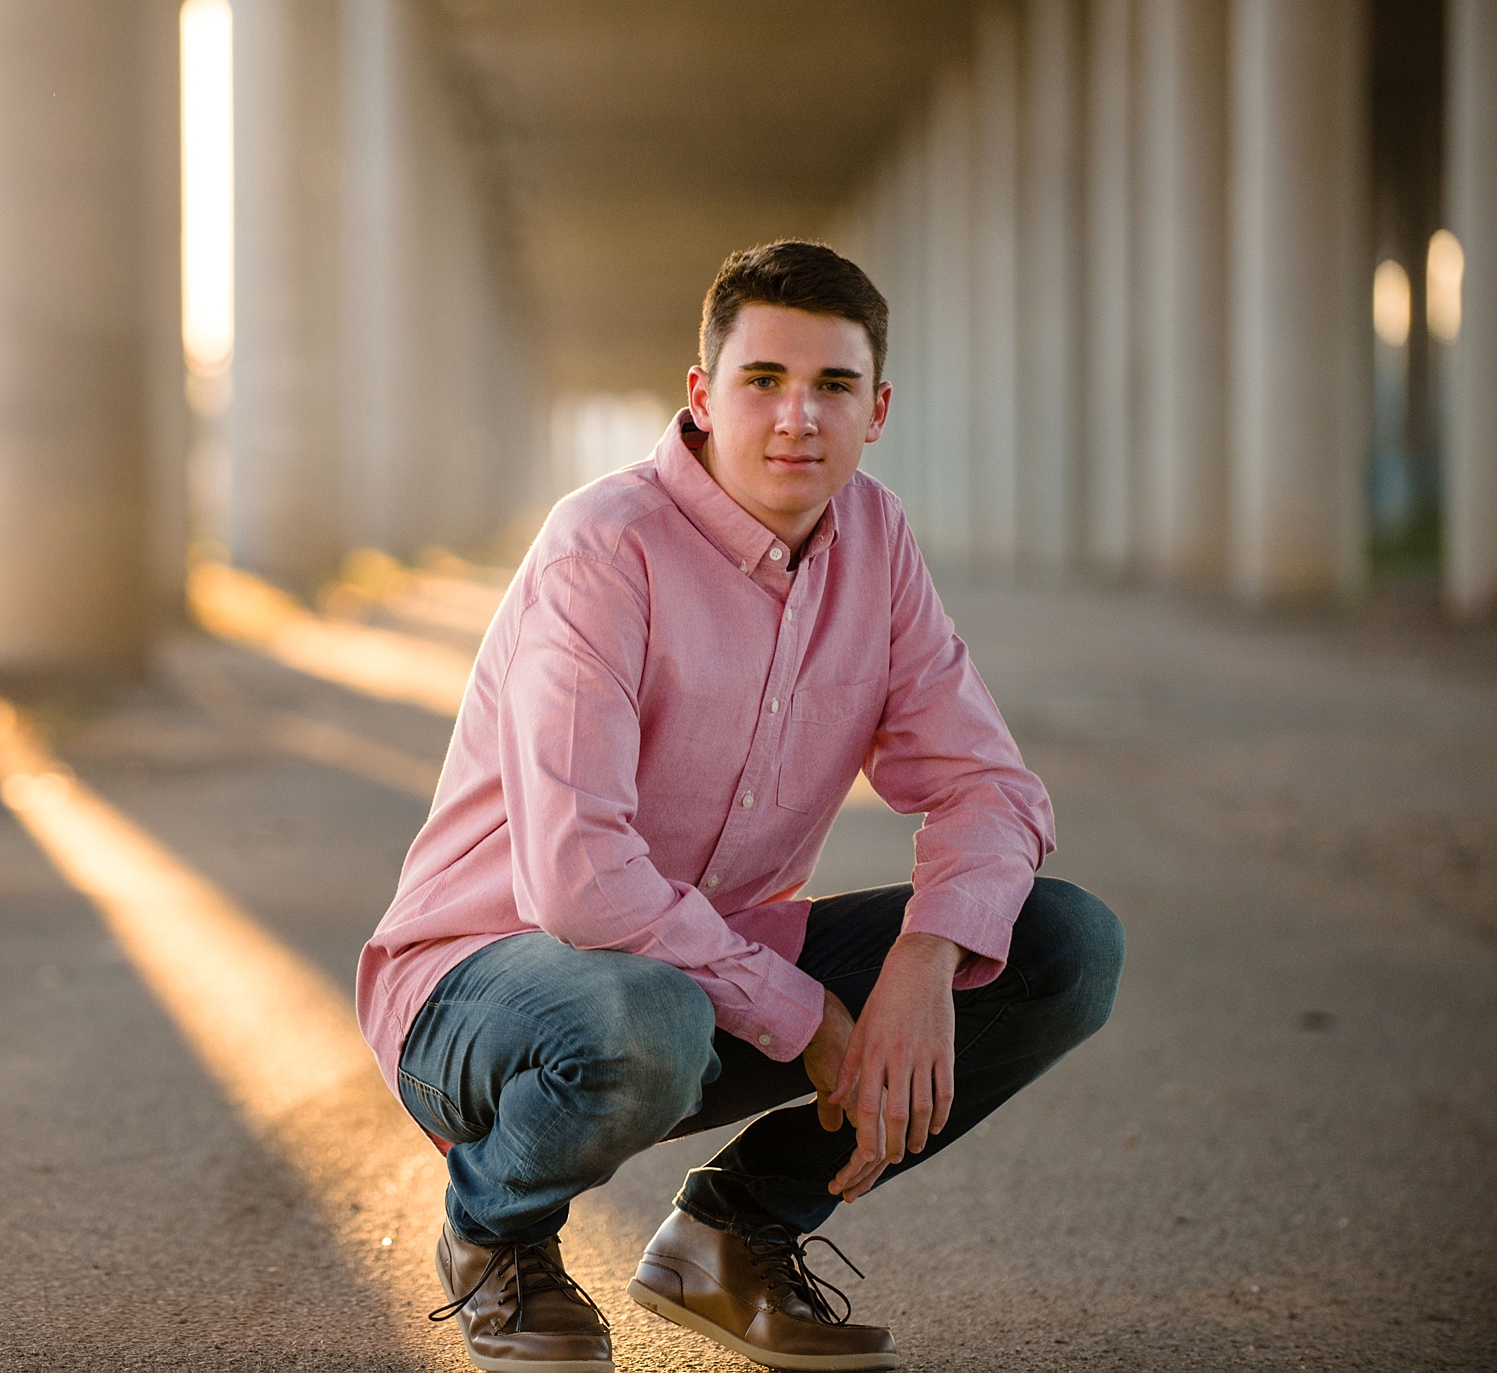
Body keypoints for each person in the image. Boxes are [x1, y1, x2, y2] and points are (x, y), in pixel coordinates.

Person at [354, 240, 1124, 1372]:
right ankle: (496, 1234)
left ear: (878, 410)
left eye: (833, 386)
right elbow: (581, 881)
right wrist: (807, 1018)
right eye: (764, 380)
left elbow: (989, 786)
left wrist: (926, 960)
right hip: (481, 986)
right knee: (647, 1020)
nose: (797, 418)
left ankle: (732, 1236)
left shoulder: (876, 543)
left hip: (700, 966)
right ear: (704, 396)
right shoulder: (603, 547)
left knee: (1060, 947)